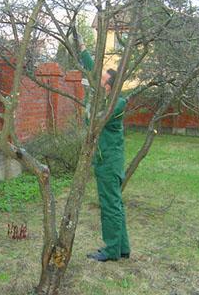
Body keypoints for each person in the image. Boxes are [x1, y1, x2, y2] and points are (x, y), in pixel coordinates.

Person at [77, 37, 131, 262]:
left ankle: (111, 251)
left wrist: (89, 99)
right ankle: (122, 248)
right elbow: (94, 70)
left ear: (108, 86)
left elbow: (94, 122)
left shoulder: (116, 104)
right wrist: (82, 49)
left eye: (101, 80)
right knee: (115, 203)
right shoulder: (111, 97)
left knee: (110, 205)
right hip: (107, 160)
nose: (96, 80)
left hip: (109, 162)